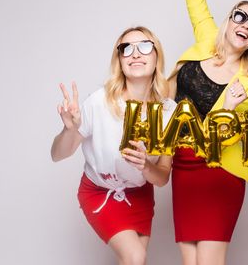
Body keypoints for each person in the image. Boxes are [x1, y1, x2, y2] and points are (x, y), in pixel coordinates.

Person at [168, 0, 248, 265]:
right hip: (181, 166)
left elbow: (220, 141)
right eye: (240, 16)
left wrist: (227, 110)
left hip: (218, 173)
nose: (246, 25)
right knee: (190, 261)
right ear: (228, 21)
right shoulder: (205, 38)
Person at [51, 26, 176, 265]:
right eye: (126, 49)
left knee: (134, 261)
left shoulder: (169, 111)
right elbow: (58, 154)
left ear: (156, 55)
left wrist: (145, 167)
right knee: (135, 257)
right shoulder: (99, 101)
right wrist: (70, 129)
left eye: (145, 46)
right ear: (119, 60)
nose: (136, 53)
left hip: (140, 195)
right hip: (99, 191)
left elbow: (162, 178)